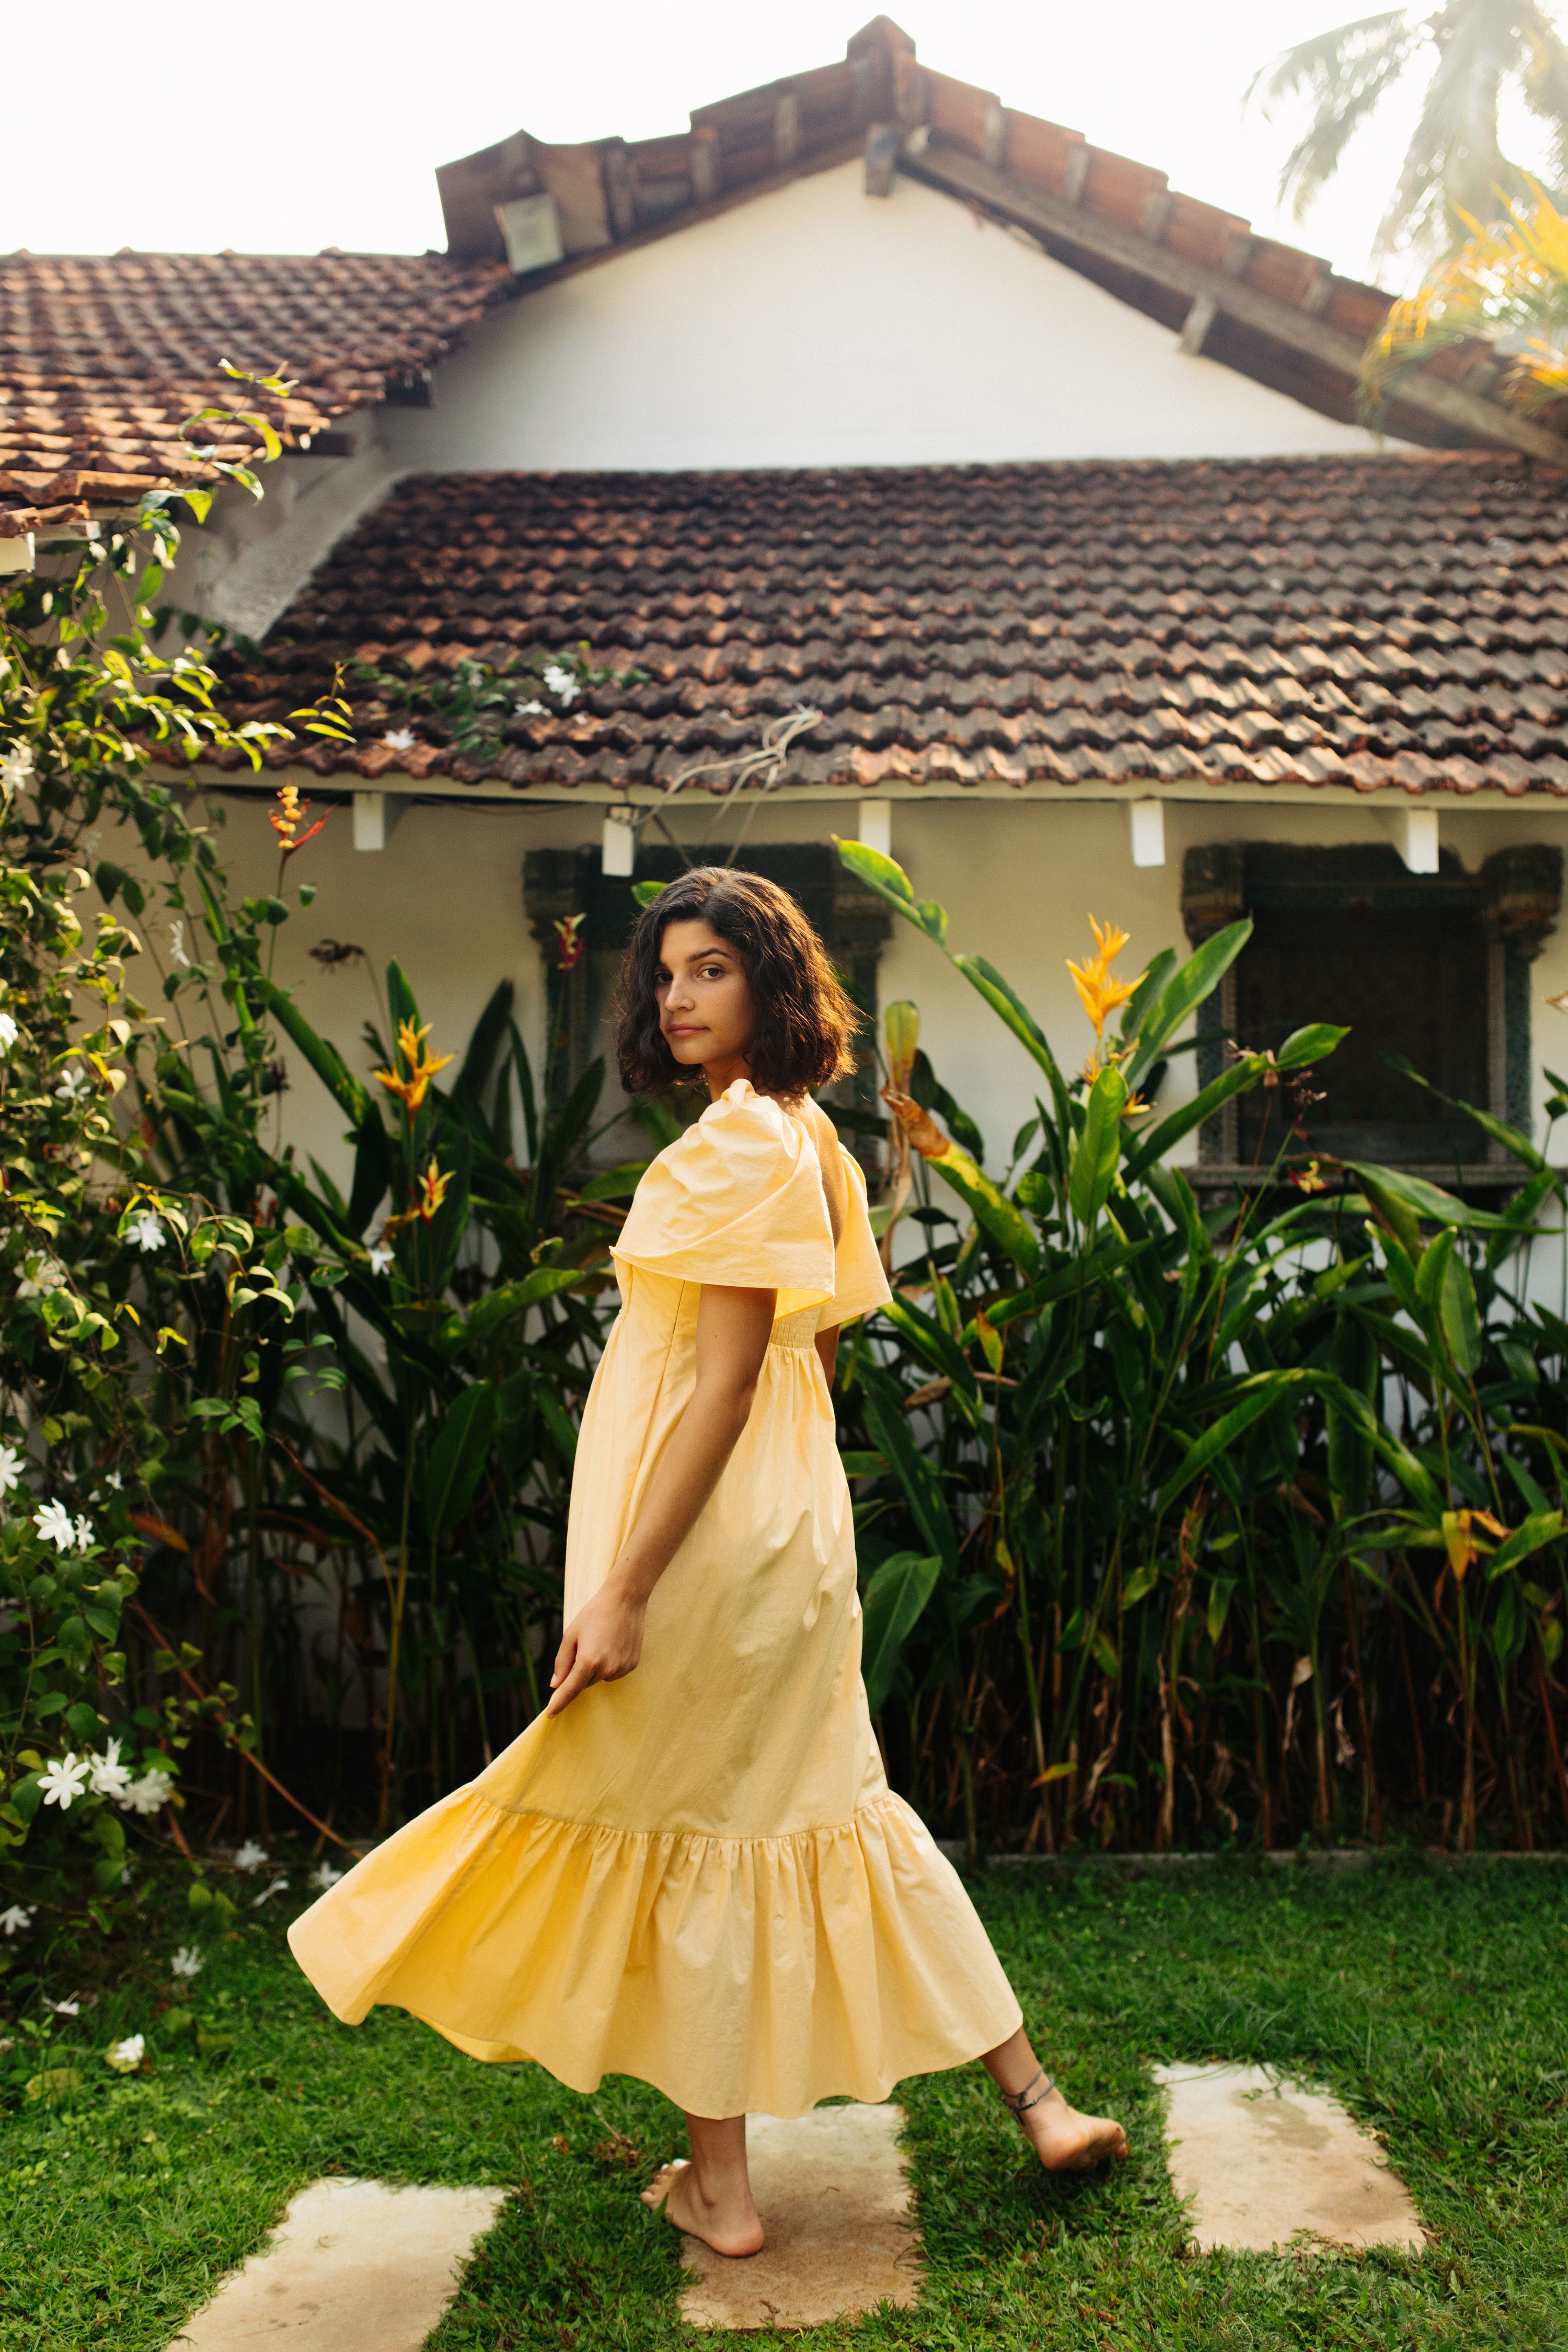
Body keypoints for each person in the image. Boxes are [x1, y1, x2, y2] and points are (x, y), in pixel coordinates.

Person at [289, 866, 1125, 2257]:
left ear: (774, 982)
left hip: (702, 1530)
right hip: (785, 1520)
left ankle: (725, 2190)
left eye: (711, 970)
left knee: (680, 1812)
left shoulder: (743, 1142)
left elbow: (726, 1381)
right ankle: (1032, 2095)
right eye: (666, 972)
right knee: (805, 1804)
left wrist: (622, 1581)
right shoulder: (812, 1140)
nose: (679, 996)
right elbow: (821, 1350)